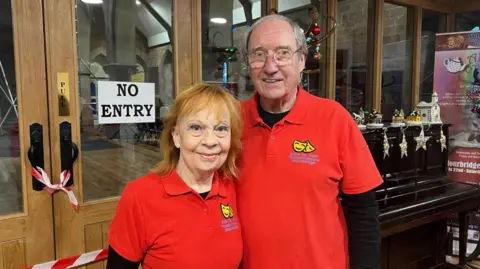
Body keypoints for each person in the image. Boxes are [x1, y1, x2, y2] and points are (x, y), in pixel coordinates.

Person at [236, 14, 383, 269]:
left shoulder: (334, 118)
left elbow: (364, 214)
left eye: (282, 53)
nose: (270, 67)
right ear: (248, 63)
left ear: (302, 60)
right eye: (258, 54)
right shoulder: (230, 122)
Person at [106, 83, 243, 269]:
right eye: (196, 128)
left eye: (221, 129)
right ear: (177, 136)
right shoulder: (140, 196)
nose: (210, 141)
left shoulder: (232, 188)